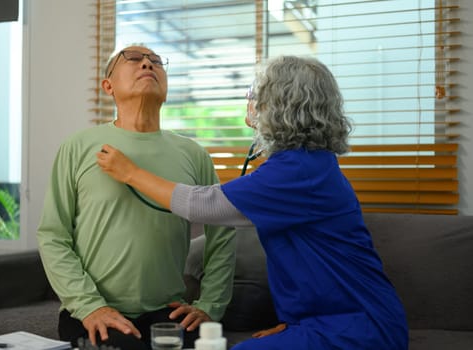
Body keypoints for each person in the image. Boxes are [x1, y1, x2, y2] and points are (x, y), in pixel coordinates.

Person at [96, 55, 409, 350]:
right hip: (336, 321)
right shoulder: (307, 165)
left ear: (280, 104)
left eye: (254, 91)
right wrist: (298, 327)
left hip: (363, 327)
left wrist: (131, 172)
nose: (248, 98)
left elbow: (200, 206)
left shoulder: (298, 170)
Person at [36, 44, 236, 350]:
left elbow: (222, 234)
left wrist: (210, 305)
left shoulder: (193, 154)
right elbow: (53, 235)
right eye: (133, 59)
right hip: (96, 311)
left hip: (169, 310)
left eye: (156, 61)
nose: (147, 64)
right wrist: (90, 307)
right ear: (108, 86)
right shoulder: (78, 146)